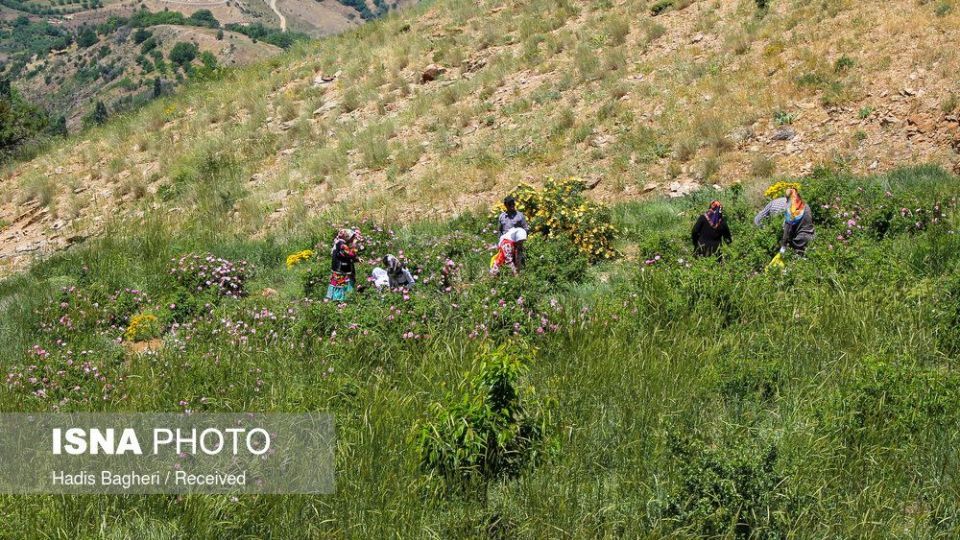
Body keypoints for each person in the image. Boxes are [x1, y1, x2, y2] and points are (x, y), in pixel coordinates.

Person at [326, 229, 359, 301]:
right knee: (342, 283)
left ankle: (337, 299)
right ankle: (340, 300)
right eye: (352, 237)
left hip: (339, 268)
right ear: (346, 236)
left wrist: (356, 259)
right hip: (342, 269)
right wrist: (354, 246)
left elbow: (344, 255)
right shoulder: (342, 244)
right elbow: (350, 254)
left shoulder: (338, 243)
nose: (352, 239)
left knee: (339, 283)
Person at [780, 187, 814, 255]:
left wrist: (783, 247)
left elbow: (786, 232)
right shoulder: (806, 206)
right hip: (811, 236)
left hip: (799, 241)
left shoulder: (791, 212)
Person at [498, 196, 528, 269]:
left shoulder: (519, 216)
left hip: (516, 243)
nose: (512, 206)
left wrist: (520, 242)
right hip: (505, 244)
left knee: (518, 262)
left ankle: (519, 273)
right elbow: (500, 231)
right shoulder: (502, 216)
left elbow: (525, 229)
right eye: (509, 204)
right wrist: (499, 243)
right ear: (505, 205)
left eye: (513, 204)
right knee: (506, 263)